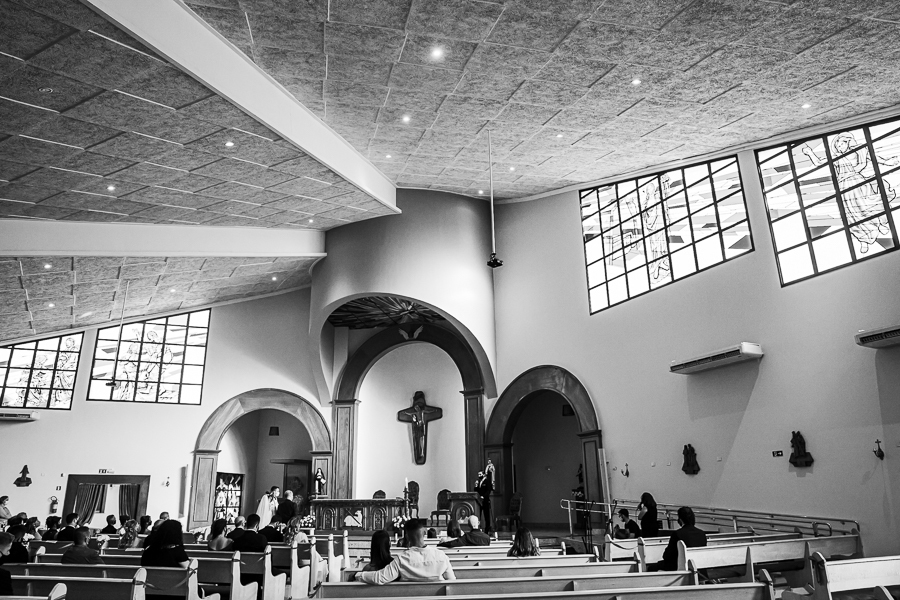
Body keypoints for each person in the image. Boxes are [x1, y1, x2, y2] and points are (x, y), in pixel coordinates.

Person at [355, 519, 454, 584]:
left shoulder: (401, 559)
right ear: (424, 533)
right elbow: (452, 581)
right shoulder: (441, 556)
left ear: (406, 536)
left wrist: (358, 575)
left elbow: (380, 577)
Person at [659, 507, 707, 571]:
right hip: (699, 567)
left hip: (679, 567)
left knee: (653, 567)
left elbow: (668, 555)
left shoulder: (677, 534)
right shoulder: (701, 533)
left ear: (680, 520)